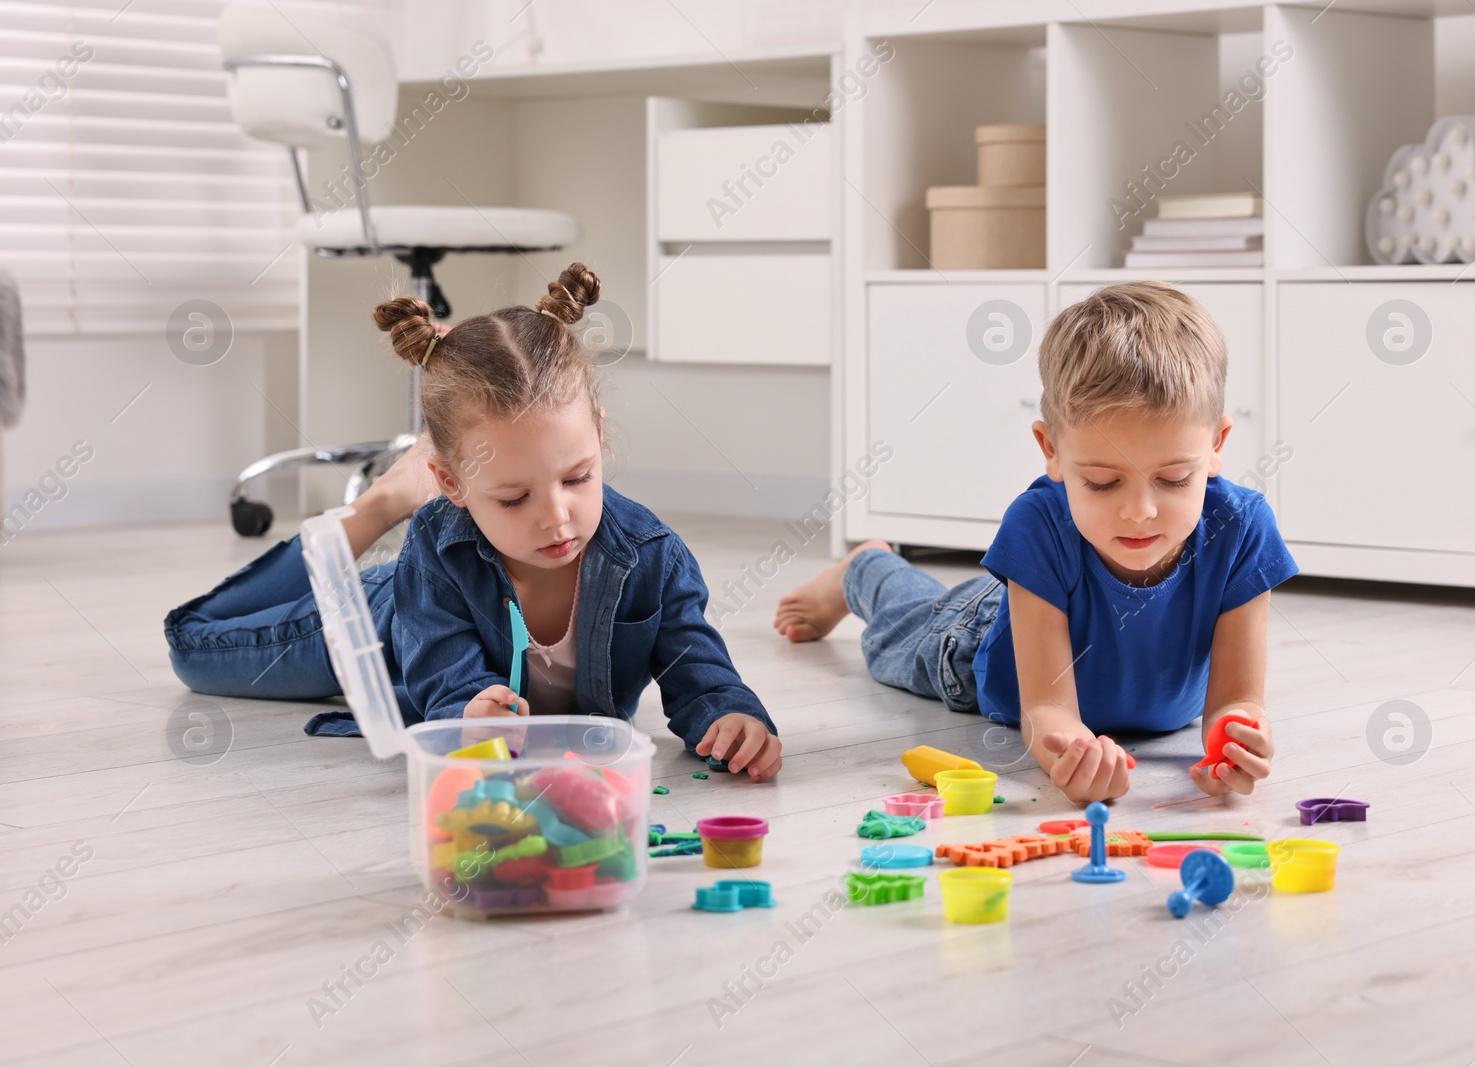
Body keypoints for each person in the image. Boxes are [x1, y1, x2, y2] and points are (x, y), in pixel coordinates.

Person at [166, 263, 782, 779]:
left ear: (597, 432)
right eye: (514, 498)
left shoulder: (650, 553)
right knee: (193, 647)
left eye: (577, 478)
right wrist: (470, 711)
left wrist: (731, 715)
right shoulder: (436, 547)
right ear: (453, 486)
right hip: (387, 621)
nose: (556, 516)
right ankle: (383, 502)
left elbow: (694, 663)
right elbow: (442, 671)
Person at [774, 281, 1296, 802]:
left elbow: (1235, 698)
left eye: (1175, 479)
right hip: (977, 644)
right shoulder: (1038, 524)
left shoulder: (1243, 527)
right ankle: (865, 567)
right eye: (1102, 482)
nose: (1141, 512)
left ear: (1216, 447)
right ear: (1051, 450)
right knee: (899, 629)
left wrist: (1237, 739)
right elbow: (1048, 710)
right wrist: (1068, 752)